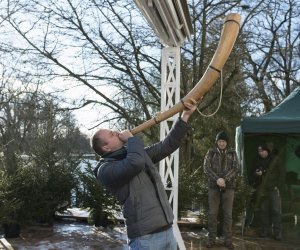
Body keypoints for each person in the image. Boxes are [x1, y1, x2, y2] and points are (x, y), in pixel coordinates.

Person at [91, 99, 198, 250]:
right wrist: (132, 140)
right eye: (111, 134)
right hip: (144, 238)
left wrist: (185, 116)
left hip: (167, 230)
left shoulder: (136, 154)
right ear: (106, 147)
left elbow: (168, 145)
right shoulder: (105, 170)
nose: (116, 132)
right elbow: (134, 164)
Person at [203, 131, 239, 249]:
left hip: (229, 188)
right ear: (217, 142)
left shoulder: (233, 153)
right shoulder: (211, 152)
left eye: (223, 141)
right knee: (212, 214)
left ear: (227, 142)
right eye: (219, 141)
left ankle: (228, 240)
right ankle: (211, 239)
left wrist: (225, 179)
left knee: (228, 215)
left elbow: (236, 168)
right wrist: (217, 179)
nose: (221, 143)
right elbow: (206, 167)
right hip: (213, 187)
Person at [252, 142, 285, 240]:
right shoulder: (257, 160)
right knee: (264, 211)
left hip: (274, 189)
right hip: (263, 190)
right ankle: (264, 231)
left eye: (262, 151)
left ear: (267, 151)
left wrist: (278, 185)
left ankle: (277, 233)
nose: (261, 153)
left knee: (276, 211)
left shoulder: (275, 159)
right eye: (259, 151)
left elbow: (282, 173)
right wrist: (257, 174)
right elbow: (252, 173)